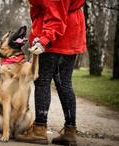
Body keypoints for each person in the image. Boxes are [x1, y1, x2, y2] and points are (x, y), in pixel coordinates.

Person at [16, 0, 86, 145]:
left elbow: (56, 16)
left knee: (42, 81)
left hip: (55, 35)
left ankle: (39, 130)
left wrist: (44, 40)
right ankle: (70, 131)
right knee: (64, 83)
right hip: (71, 32)